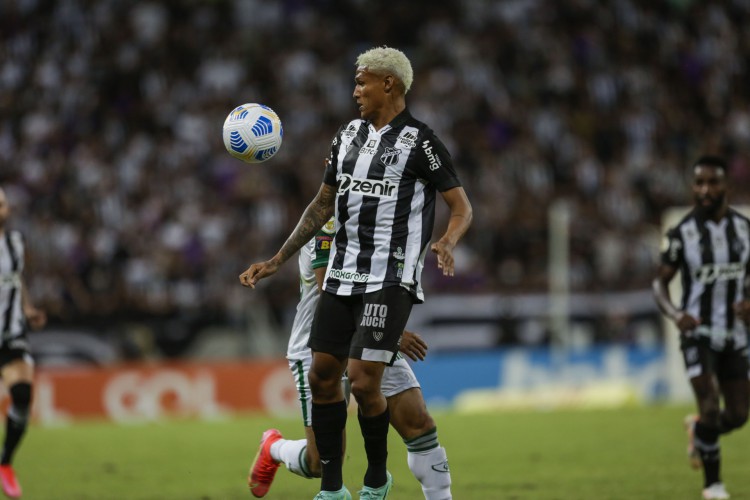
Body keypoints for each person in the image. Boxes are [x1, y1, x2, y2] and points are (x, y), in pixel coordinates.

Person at [240, 45, 472, 500]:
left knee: (416, 421)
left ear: (390, 84)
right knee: (317, 455)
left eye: (362, 82)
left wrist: (445, 242)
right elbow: (323, 253)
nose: (354, 91)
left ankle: (396, 486)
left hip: (381, 299)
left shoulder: (419, 144)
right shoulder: (344, 144)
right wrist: (275, 261)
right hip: (333, 322)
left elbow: (460, 206)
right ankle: (277, 450)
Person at [247, 219, 452, 499]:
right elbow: (329, 289)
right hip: (318, 343)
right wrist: (391, 334)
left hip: (370, 332)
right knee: (320, 462)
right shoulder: (330, 219)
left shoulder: (382, 209)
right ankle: (274, 447)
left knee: (419, 424)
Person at [652, 155, 750, 500]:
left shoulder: (744, 230)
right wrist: (676, 314)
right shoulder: (682, 234)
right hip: (698, 334)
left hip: (736, 335)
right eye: (699, 183)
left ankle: (699, 431)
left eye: (712, 183)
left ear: (726, 186)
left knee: (738, 415)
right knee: (709, 404)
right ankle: (713, 485)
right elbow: (659, 283)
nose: (705, 190)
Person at [0, 187, 47, 499]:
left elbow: (16, 280)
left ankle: (5, 463)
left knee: (22, 393)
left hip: (11, 333)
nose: (1, 209)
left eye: (2, 203)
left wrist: (27, 308)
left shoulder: (15, 242)